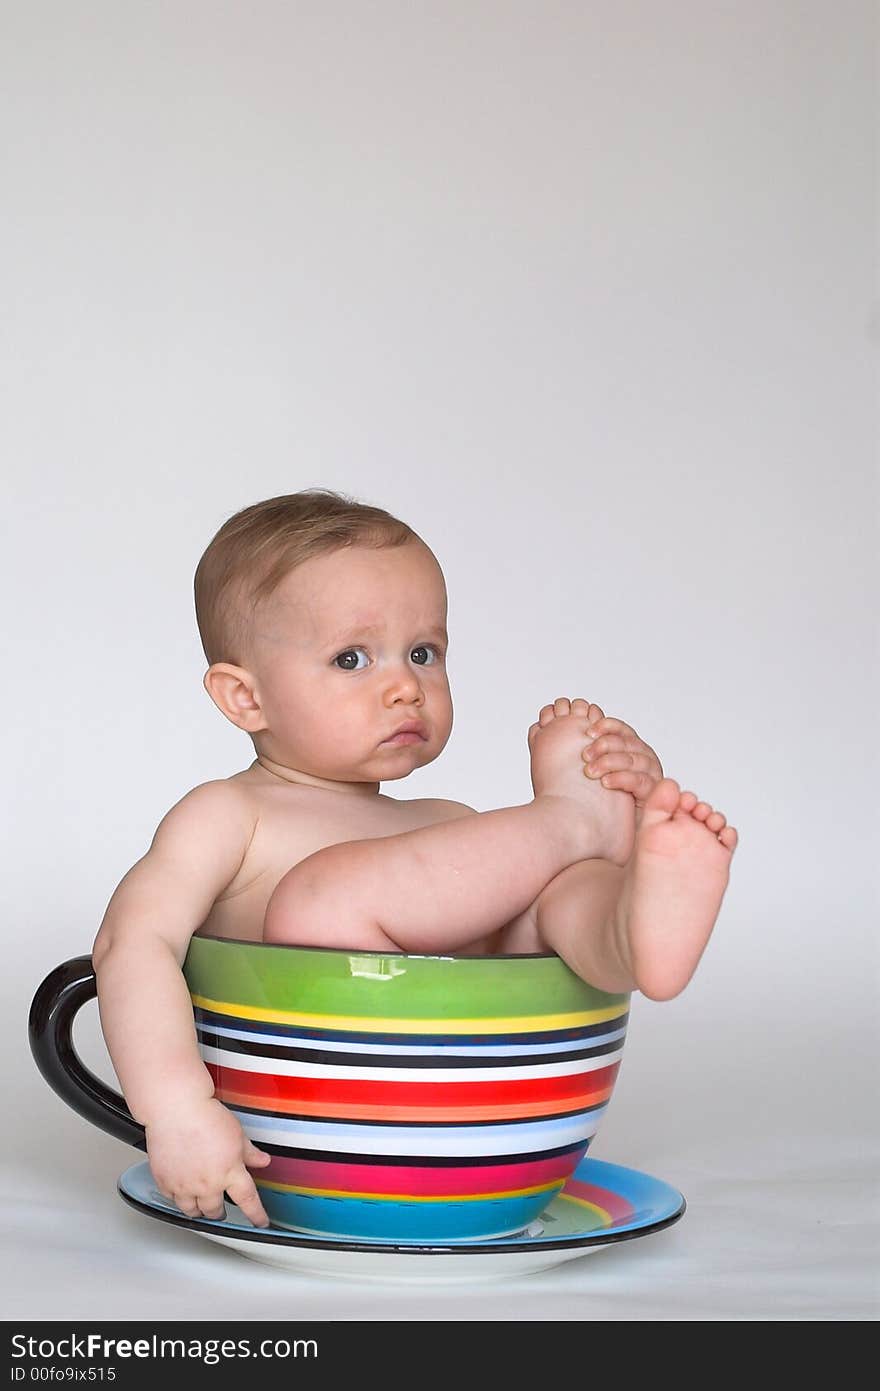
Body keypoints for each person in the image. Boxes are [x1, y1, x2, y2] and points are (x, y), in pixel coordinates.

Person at [92, 489, 738, 1231]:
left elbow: (503, 922)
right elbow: (132, 942)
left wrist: (622, 812)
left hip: (471, 1114)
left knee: (544, 898)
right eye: (352, 658)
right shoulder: (229, 814)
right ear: (246, 698)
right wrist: (176, 1107)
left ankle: (630, 923)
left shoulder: (446, 829)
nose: (406, 685)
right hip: (335, 1122)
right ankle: (576, 822)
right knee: (317, 904)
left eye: (424, 652)